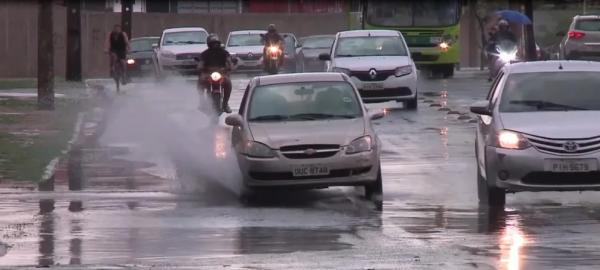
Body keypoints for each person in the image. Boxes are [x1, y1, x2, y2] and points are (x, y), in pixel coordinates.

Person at [197, 34, 234, 114]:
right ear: (209, 44)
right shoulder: (205, 54)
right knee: (201, 80)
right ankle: (202, 102)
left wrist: (230, 66)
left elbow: (229, 61)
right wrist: (200, 67)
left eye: (216, 43)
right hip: (208, 74)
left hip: (222, 73)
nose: (214, 45)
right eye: (212, 43)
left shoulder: (224, 52)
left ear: (219, 43)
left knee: (228, 82)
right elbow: (200, 63)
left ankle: (225, 104)